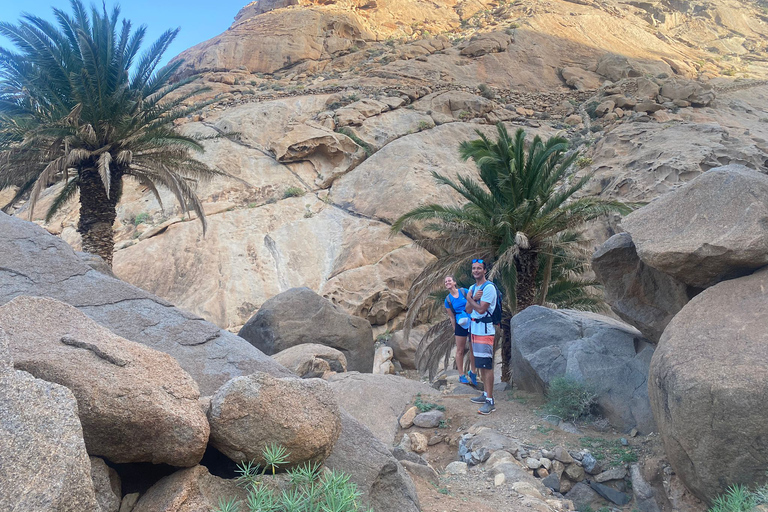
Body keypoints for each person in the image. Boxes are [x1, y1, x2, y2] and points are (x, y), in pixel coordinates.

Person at [464, 258, 497, 415]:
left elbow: (482, 309)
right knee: (480, 364)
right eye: (473, 268)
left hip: (485, 330)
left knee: (487, 365)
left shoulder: (489, 288)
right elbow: (468, 309)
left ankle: (490, 401)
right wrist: (473, 299)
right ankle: (485, 394)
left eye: (479, 268)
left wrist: (471, 299)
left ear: (485, 270)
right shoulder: (472, 287)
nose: (476, 270)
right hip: (475, 329)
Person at [443, 275, 477, 386]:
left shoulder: (464, 291)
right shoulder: (447, 300)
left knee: (473, 348)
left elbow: (473, 303)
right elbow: (451, 316)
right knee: (460, 350)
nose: (447, 282)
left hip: (471, 321)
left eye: (449, 280)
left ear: (454, 282)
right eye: (445, 282)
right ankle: (461, 375)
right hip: (460, 324)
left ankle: (473, 372)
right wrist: (455, 329)